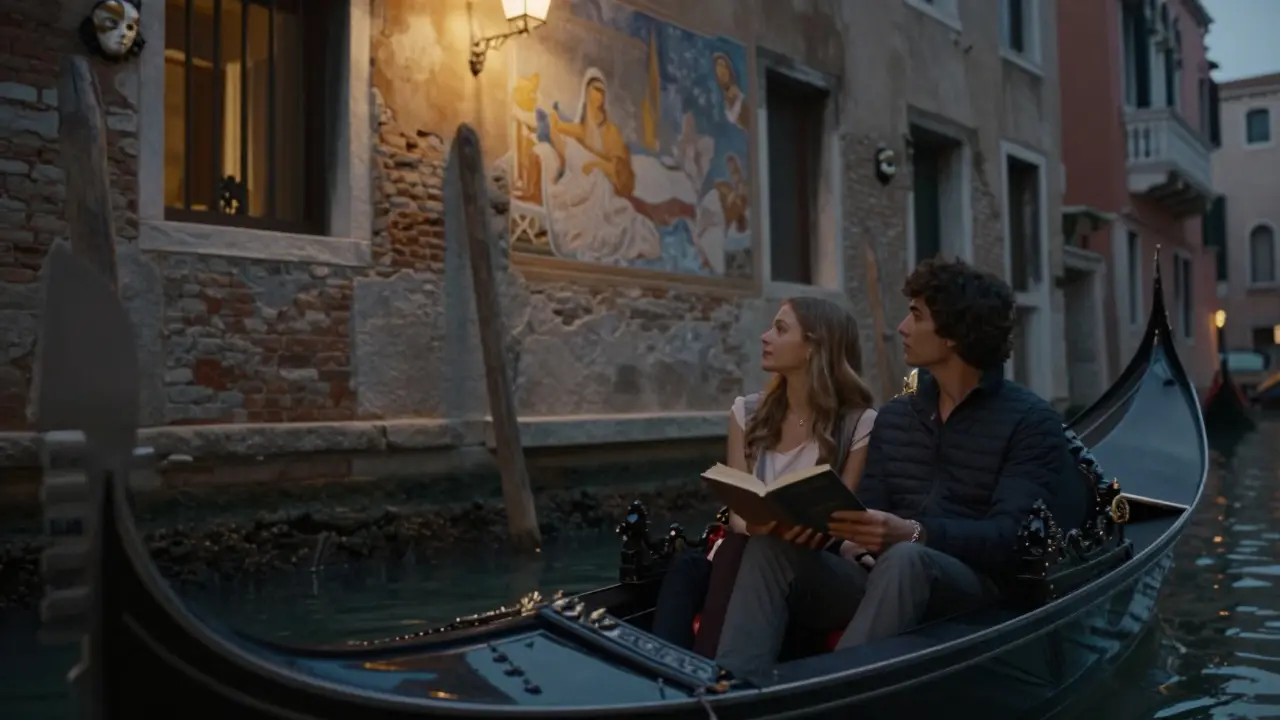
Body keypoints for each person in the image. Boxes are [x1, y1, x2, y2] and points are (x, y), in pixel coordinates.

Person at [714, 258, 1070, 682]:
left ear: (954, 333)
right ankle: (731, 689)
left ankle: (829, 699)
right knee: (770, 550)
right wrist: (851, 544)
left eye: (916, 315)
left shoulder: (1030, 422)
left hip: (973, 589)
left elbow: (1011, 539)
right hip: (882, 576)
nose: (901, 327)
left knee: (907, 559)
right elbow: (870, 506)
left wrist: (914, 533)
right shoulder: (898, 416)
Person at [649, 296, 879, 652]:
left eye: (780, 329)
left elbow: (842, 514)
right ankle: (663, 670)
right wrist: (758, 524)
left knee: (751, 551)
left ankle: (711, 678)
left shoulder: (858, 422)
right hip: (743, 544)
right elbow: (738, 508)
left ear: (812, 348)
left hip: (811, 563)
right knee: (691, 566)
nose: (764, 336)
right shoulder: (747, 412)